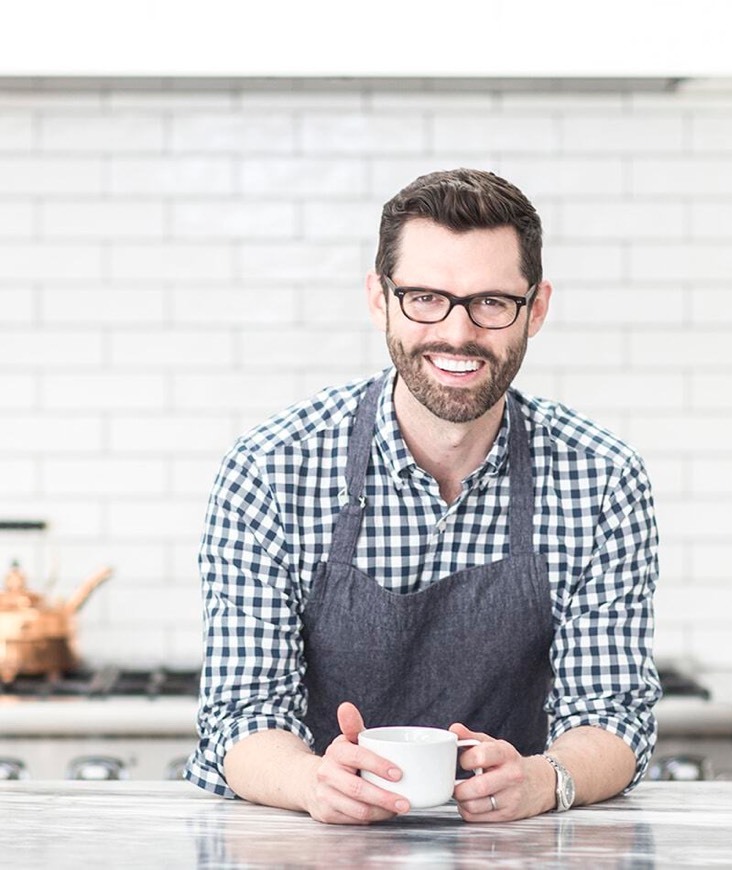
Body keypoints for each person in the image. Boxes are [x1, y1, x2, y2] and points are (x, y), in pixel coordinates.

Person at [185, 168, 661, 825]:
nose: (459, 334)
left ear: (537, 307)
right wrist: (311, 782)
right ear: (380, 299)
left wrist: (545, 779)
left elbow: (611, 716)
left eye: (492, 302)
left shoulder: (602, 479)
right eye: (426, 299)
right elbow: (241, 716)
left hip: (514, 848)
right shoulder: (270, 471)